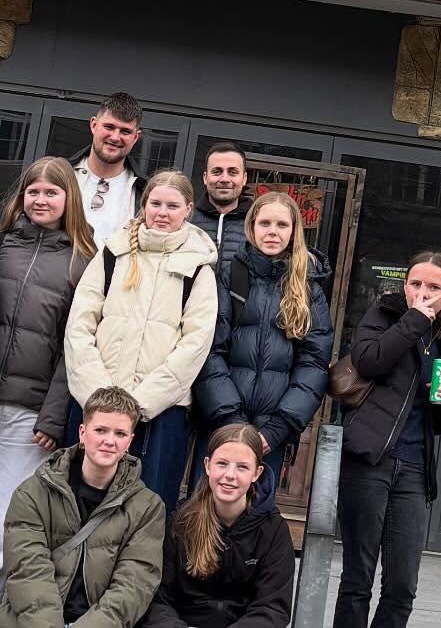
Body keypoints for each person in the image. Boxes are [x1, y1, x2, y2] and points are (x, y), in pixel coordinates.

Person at [64, 170, 219, 512]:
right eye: (155, 203)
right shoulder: (112, 254)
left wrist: (139, 403)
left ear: (188, 210)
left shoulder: (199, 270)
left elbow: (195, 344)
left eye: (172, 206)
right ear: (144, 205)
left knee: (144, 513)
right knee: (77, 506)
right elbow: (80, 325)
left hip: (159, 414)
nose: (162, 212)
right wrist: (99, 396)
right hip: (94, 407)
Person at [332, 251, 441, 628]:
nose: (423, 292)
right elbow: (370, 361)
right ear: (405, 287)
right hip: (370, 459)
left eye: (433, 288)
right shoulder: (383, 315)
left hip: (415, 468)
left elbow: (436, 422)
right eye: (416, 284)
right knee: (358, 578)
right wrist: (415, 319)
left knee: (403, 585)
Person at [192, 190, 333, 510]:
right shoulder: (229, 277)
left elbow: (313, 364)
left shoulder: (309, 289)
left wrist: (278, 427)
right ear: (251, 227)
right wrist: (230, 420)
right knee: (204, 517)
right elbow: (208, 350)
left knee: (254, 523)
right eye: (265, 223)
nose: (273, 231)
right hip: (221, 425)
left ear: (294, 230)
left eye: (282, 224)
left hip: (271, 436)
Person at [0, 384, 165, 628]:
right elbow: (27, 570)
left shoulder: (148, 507)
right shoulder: (32, 492)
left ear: (130, 441)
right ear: (82, 432)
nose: (110, 441)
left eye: (120, 434)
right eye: (101, 430)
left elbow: (134, 585)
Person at [0, 158, 95, 534]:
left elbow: (73, 346)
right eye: (33, 191)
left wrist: (54, 416)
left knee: (11, 509)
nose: (40, 199)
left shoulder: (83, 261)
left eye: (51, 192)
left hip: (30, 413)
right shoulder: (3, 242)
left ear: (68, 197)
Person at [140, 421, 294, 627]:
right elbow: (157, 598)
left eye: (242, 467)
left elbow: (272, 608)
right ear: (207, 465)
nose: (230, 475)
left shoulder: (273, 530)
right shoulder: (181, 522)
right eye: (222, 463)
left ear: (256, 474)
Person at [71, 95, 144, 253]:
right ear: (93, 125)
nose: (115, 137)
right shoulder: (60, 176)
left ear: (136, 137)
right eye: (109, 127)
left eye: (125, 131)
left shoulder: (144, 193)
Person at [189, 150, 248, 283]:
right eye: (217, 172)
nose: (225, 179)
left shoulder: (256, 224)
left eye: (233, 172)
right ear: (205, 177)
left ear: (244, 178)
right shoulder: (186, 220)